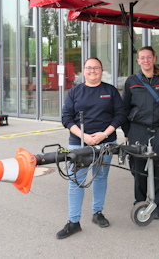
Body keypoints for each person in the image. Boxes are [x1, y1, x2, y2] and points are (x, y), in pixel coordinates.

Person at [57, 57, 126, 239]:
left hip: (105, 142)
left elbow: (120, 115)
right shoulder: (75, 92)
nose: (92, 71)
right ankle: (73, 222)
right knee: (76, 181)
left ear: (102, 70)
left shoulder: (110, 91)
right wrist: (84, 136)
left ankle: (97, 213)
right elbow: (66, 118)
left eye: (96, 68)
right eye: (89, 68)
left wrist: (104, 134)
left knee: (100, 177)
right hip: (79, 143)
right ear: (84, 71)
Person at [122, 46, 159, 220]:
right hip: (137, 131)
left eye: (149, 57)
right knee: (138, 169)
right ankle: (140, 202)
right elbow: (124, 110)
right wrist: (128, 132)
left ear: (154, 59)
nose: (146, 60)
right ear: (138, 61)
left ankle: (157, 205)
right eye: (142, 58)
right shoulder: (132, 81)